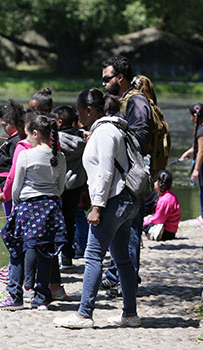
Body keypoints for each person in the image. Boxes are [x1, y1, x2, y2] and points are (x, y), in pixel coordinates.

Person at [54, 88, 141, 328]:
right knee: (122, 258)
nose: (77, 115)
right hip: (128, 200)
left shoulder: (104, 133)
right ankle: (130, 314)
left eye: (80, 111)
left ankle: (84, 314)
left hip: (112, 201)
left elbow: (104, 172)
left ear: (90, 110)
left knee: (93, 256)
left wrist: (97, 207)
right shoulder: (114, 127)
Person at [0, 111, 67, 310]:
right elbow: (60, 188)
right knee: (46, 251)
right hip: (51, 208)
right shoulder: (59, 156)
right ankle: (41, 297)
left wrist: (17, 203)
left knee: (16, 249)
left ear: (35, 133)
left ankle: (15, 294)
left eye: (26, 134)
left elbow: (16, 187)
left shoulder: (25, 155)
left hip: (27, 207)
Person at [99, 55, 152, 293]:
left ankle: (127, 280)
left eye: (107, 78)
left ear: (120, 77)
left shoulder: (137, 101)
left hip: (133, 176)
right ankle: (117, 274)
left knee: (130, 228)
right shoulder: (125, 100)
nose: (103, 83)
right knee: (121, 227)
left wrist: (113, 141)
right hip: (125, 174)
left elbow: (140, 136)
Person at [52, 105, 87, 269]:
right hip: (76, 185)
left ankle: (55, 254)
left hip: (58, 186)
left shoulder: (55, 140)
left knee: (54, 221)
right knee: (70, 220)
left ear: (59, 122)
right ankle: (67, 256)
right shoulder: (82, 140)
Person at [0, 99, 26, 217]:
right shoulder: (14, 138)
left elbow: (15, 171)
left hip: (9, 189)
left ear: (14, 123)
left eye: (4, 125)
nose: (4, 129)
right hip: (7, 189)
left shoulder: (17, 141)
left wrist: (2, 188)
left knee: (12, 218)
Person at [180, 103, 203, 225]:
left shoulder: (201, 131)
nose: (190, 119)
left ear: (195, 116)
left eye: (191, 116)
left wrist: (196, 169)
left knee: (202, 189)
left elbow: (201, 151)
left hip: (202, 165)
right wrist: (188, 152)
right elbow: (198, 148)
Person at [143, 170, 181, 241]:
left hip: (166, 232)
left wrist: (145, 221)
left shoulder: (164, 200)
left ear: (159, 183)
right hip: (172, 230)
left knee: (142, 224)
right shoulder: (171, 195)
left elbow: (158, 220)